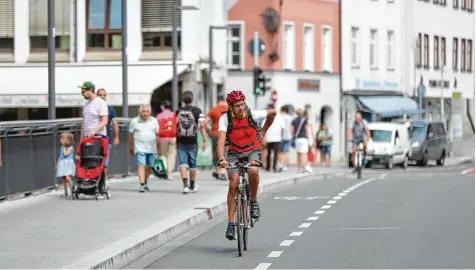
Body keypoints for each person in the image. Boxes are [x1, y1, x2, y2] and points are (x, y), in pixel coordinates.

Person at [217, 90, 276, 240]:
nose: (241, 107)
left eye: (242, 104)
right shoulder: (225, 119)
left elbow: (273, 112)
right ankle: (231, 224)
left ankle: (254, 201)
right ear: (231, 107)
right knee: (233, 184)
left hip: (252, 149)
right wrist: (221, 158)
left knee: (253, 171)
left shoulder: (253, 114)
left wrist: (262, 132)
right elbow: (220, 140)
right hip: (234, 152)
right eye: (237, 106)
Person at [176, 91, 207, 194]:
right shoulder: (197, 111)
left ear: (183, 100)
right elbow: (202, 125)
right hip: (192, 140)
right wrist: (204, 140)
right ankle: (192, 185)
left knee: (182, 163)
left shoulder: (178, 111)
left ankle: (185, 186)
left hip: (180, 140)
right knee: (192, 163)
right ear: (192, 99)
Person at [128, 104, 160, 192]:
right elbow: (130, 135)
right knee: (141, 164)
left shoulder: (154, 121)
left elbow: (157, 135)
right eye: (143, 111)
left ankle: (145, 181)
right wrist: (130, 147)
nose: (145, 113)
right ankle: (142, 184)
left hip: (151, 148)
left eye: (147, 112)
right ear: (140, 112)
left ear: (150, 112)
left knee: (149, 167)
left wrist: (159, 148)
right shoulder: (134, 121)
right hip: (139, 147)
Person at [96, 88, 120, 178]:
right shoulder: (93, 108)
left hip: (107, 139)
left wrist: (116, 136)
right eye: (100, 95)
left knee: (105, 162)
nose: (102, 97)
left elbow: (115, 123)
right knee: (95, 161)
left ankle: (103, 182)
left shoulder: (110, 109)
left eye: (104, 95)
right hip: (94, 138)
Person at [206, 93, 229, 180]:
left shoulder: (213, 110)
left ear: (217, 100)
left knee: (216, 152)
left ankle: (218, 170)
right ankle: (223, 171)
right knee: (225, 152)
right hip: (226, 134)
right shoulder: (229, 109)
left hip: (215, 133)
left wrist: (208, 131)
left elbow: (205, 122)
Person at [156, 100, 177, 180]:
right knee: (171, 155)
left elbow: (156, 127)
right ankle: (169, 173)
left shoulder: (159, 116)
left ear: (163, 106)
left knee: (163, 155)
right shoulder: (174, 115)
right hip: (172, 137)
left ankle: (163, 171)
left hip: (162, 137)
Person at [262, 104, 284, 172]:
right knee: (269, 153)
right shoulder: (267, 117)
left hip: (276, 138)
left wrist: (281, 137)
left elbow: (282, 128)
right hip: (270, 138)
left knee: (274, 153)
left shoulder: (279, 117)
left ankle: (273, 167)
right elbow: (263, 129)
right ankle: (269, 167)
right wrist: (264, 138)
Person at [291, 109, 312, 174]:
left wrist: (294, 136)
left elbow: (291, 130)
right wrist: (308, 138)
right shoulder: (304, 120)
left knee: (298, 154)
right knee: (304, 153)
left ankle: (299, 169)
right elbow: (307, 130)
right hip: (304, 138)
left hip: (297, 138)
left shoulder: (294, 120)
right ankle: (305, 167)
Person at [56, 132, 76, 197]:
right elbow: (61, 156)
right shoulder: (62, 147)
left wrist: (64, 147)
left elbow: (65, 154)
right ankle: (66, 192)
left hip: (68, 164)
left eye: (62, 138)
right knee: (64, 179)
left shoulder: (71, 147)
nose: (60, 140)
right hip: (62, 163)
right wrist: (57, 163)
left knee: (68, 177)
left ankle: (72, 190)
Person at [278, 105, 293, 172]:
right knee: (286, 152)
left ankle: (280, 164)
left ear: (282, 110)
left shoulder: (280, 117)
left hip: (281, 136)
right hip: (288, 136)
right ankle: (285, 166)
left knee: (280, 151)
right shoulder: (291, 117)